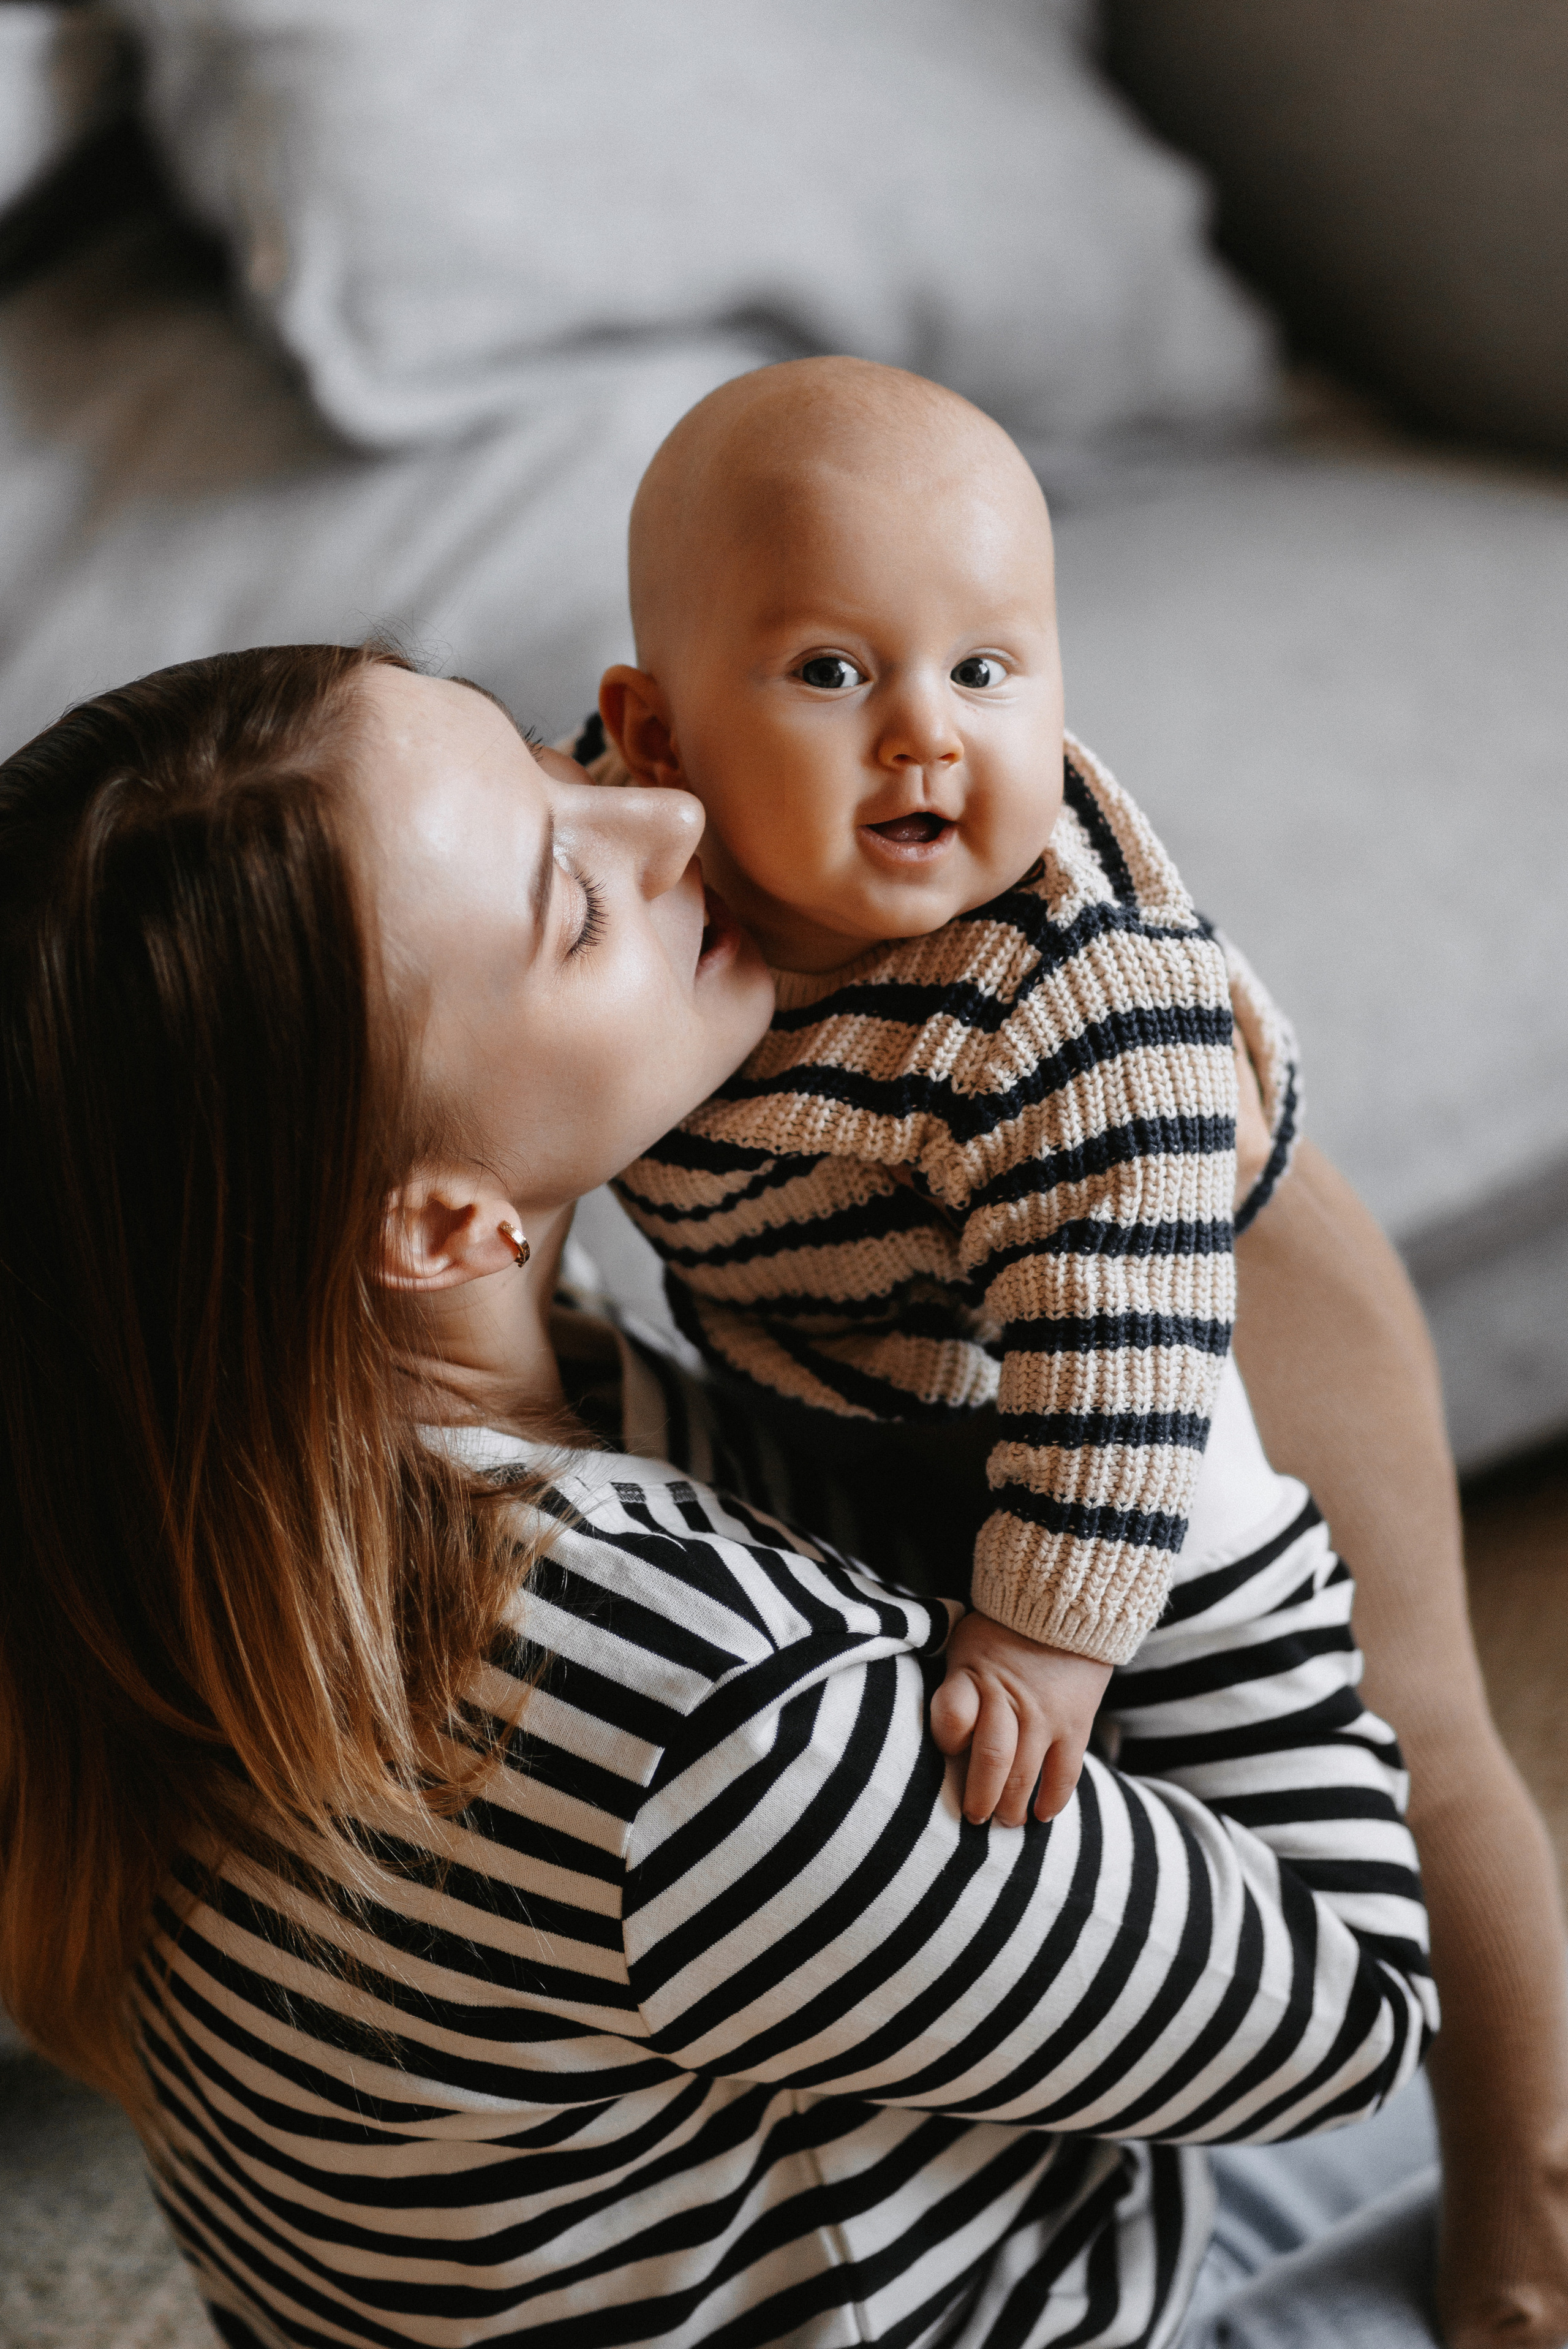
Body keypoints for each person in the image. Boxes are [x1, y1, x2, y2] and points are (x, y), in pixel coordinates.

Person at [0, 641, 1457, 2349]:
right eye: (575, 905)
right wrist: (1158, 1405)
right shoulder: (693, 1713)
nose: (670, 814)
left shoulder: (198, 1543)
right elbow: (1352, 2008)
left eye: (552, 759)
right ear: (444, 1224)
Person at [592, 357, 1297, 1830]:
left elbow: (1118, 1345)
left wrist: (1045, 1629)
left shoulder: (1060, 995)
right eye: (833, 672)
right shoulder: (600, 854)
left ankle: (1500, 2064)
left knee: (1381, 1711)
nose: (927, 731)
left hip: (1178, 1300)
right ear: (655, 737)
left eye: (983, 671)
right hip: (866, 1346)